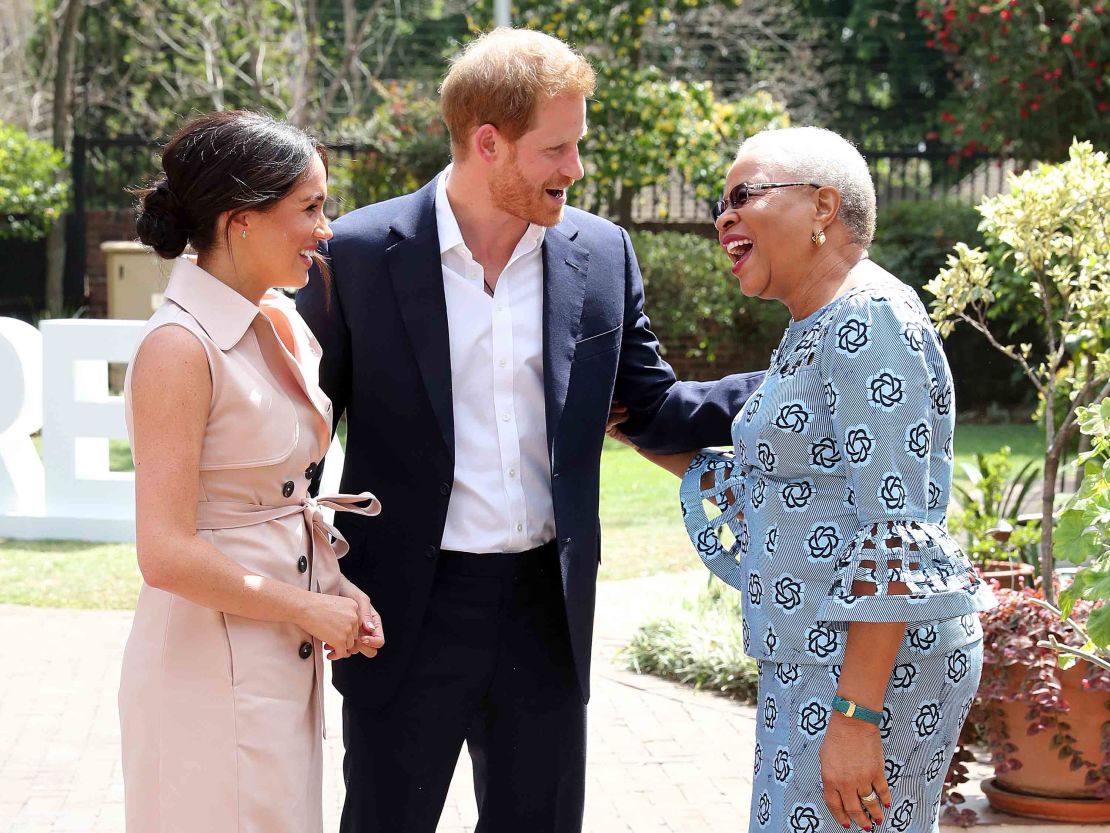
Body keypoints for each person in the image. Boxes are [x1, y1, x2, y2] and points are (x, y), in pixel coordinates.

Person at [295, 27, 762, 833]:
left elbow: (652, 407)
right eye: (558, 148)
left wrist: (799, 383)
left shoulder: (602, 253)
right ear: (488, 143)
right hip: (406, 611)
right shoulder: (360, 255)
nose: (575, 169)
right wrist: (321, 582)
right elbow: (299, 443)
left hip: (547, 611)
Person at [608, 126, 997, 833]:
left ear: (823, 207)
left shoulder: (869, 317)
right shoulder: (815, 325)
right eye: (719, 203)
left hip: (866, 671)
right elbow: (771, 484)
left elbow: (894, 531)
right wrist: (629, 430)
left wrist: (855, 716)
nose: (722, 217)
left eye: (743, 196)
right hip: (823, 659)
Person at [120, 110, 385, 833]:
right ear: (240, 222)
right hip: (203, 666)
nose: (326, 228)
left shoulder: (285, 320)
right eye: (310, 208)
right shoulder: (178, 346)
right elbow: (164, 552)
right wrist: (306, 608)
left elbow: (281, 499)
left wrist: (335, 589)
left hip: (277, 660)